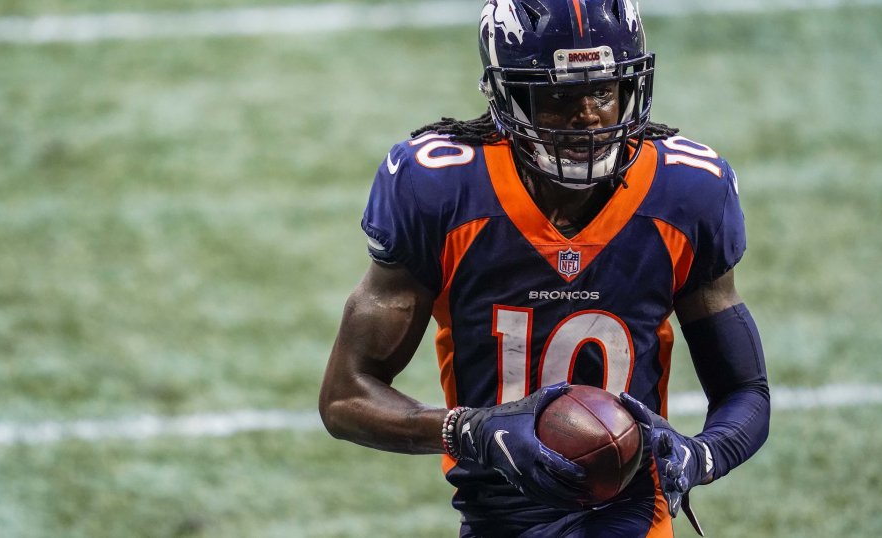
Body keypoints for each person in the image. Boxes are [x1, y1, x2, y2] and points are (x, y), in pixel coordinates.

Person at [319, 0, 770, 536]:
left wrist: (700, 456)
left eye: (602, 90)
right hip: (500, 513)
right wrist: (473, 430)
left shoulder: (688, 189)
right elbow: (346, 395)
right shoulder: (438, 189)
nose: (586, 115)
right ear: (508, 95)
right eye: (557, 95)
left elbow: (746, 390)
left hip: (632, 513)